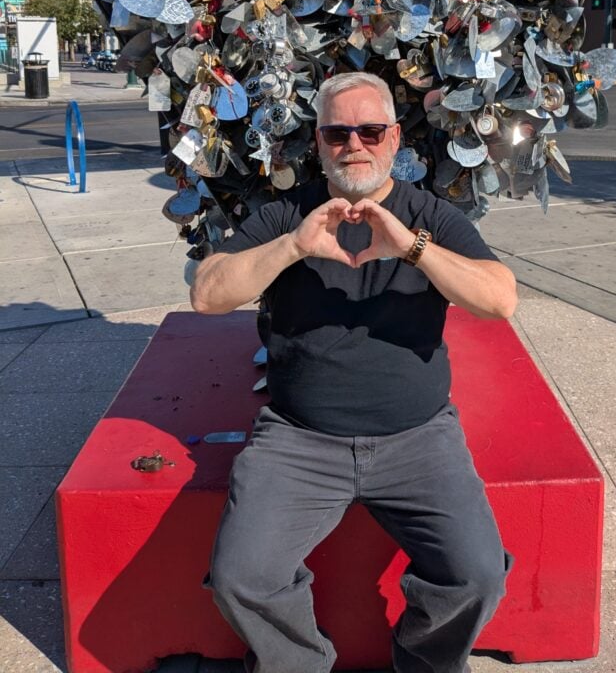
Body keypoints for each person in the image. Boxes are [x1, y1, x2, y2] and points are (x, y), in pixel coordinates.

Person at [191, 71, 518, 673]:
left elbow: (499, 300)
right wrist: (291, 246)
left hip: (419, 437)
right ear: (318, 142)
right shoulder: (288, 214)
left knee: (476, 575)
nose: (354, 145)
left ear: (394, 139)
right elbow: (208, 294)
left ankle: (423, 662)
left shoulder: (429, 215)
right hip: (299, 438)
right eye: (338, 133)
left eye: (370, 130)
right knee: (243, 576)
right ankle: (300, 665)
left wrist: (412, 247)